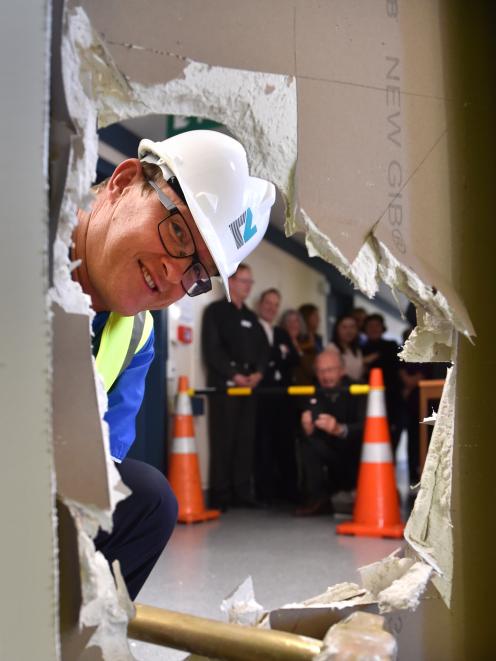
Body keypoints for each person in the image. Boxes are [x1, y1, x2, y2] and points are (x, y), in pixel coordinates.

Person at [72, 129, 275, 598]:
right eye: (179, 230)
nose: (174, 272)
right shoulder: (26, 241)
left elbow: (103, 468)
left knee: (147, 500)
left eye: (197, 273)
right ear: (124, 182)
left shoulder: (137, 335)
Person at [202, 264, 270, 511]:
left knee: (245, 440)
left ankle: (242, 492)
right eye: (244, 281)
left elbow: (264, 350)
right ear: (230, 282)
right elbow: (212, 349)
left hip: (250, 387)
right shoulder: (215, 312)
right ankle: (220, 494)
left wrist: (259, 373)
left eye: (250, 282)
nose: (248, 286)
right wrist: (233, 374)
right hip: (225, 387)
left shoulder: (252, 318)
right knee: (223, 440)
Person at [295, 349, 365, 516]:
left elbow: (368, 427)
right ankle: (317, 499)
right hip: (330, 457)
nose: (325, 376)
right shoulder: (313, 393)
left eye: (330, 370)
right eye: (320, 371)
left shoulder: (359, 390)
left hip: (355, 454)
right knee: (306, 441)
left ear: (342, 370)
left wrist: (340, 429)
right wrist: (308, 429)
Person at [255, 289, 301, 504]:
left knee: (285, 443)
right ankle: (266, 493)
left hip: (283, 396)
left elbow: (293, 359)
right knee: (263, 445)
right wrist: (278, 355)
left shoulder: (281, 333)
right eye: (268, 303)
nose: (271, 308)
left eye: (276, 304)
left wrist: (280, 355)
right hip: (262, 396)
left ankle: (289, 492)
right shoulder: (253, 328)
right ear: (260, 304)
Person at [362, 313, 403, 454]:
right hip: (367, 398)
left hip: (391, 398)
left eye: (377, 326)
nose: (373, 329)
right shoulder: (359, 348)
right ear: (365, 329)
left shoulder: (391, 346)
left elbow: (397, 369)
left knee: (392, 437)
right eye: (370, 326)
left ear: (382, 328)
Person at [328, 314, 365, 381]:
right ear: (337, 330)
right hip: (341, 389)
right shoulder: (331, 349)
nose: (349, 331)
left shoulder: (356, 349)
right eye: (344, 327)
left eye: (352, 327)